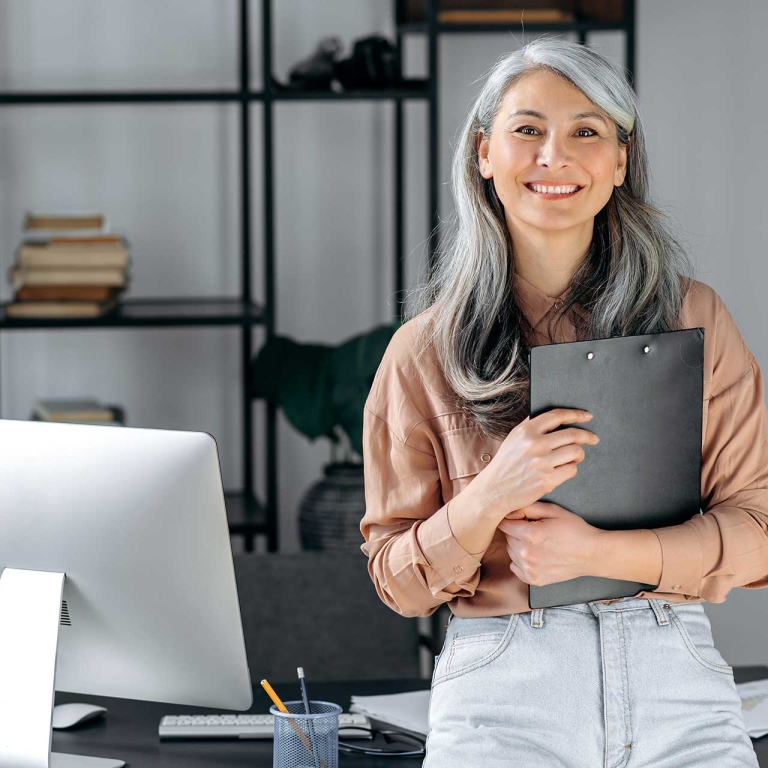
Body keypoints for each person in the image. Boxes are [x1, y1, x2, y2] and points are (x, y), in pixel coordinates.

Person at [359, 37, 767, 767]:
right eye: (527, 130)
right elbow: (396, 580)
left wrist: (605, 553)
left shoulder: (692, 319)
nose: (555, 155)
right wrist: (490, 495)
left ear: (620, 161)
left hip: (676, 676)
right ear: (484, 153)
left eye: (587, 130)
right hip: (502, 689)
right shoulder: (422, 352)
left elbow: (759, 527)